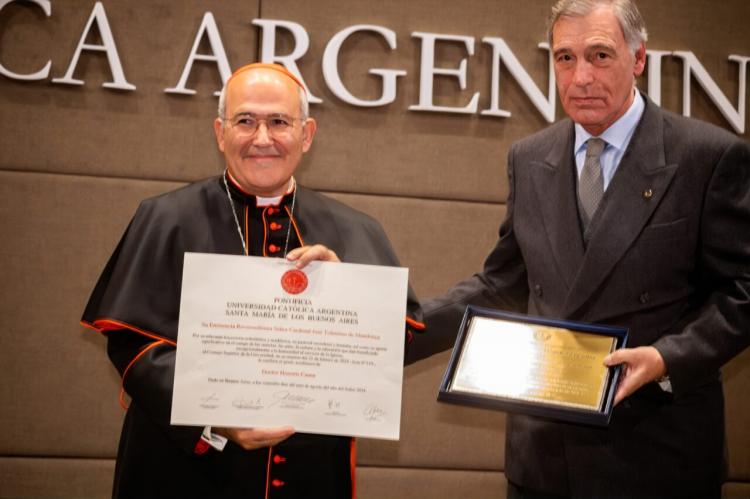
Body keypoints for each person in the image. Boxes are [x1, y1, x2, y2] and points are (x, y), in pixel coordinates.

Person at [409, 1, 750, 497]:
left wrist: (666, 358)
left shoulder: (707, 156)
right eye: (565, 58)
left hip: (658, 455)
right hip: (544, 461)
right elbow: (503, 283)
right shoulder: (528, 158)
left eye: (600, 56)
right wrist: (396, 325)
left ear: (639, 60)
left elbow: (743, 289)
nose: (581, 76)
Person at [81, 63, 423, 499]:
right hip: (183, 470)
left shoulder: (356, 230)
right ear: (221, 133)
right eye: (245, 121)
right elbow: (133, 346)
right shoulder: (165, 218)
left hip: (310, 473)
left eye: (279, 122)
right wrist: (215, 414)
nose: (263, 138)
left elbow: (391, 346)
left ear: (307, 134)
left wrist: (349, 294)